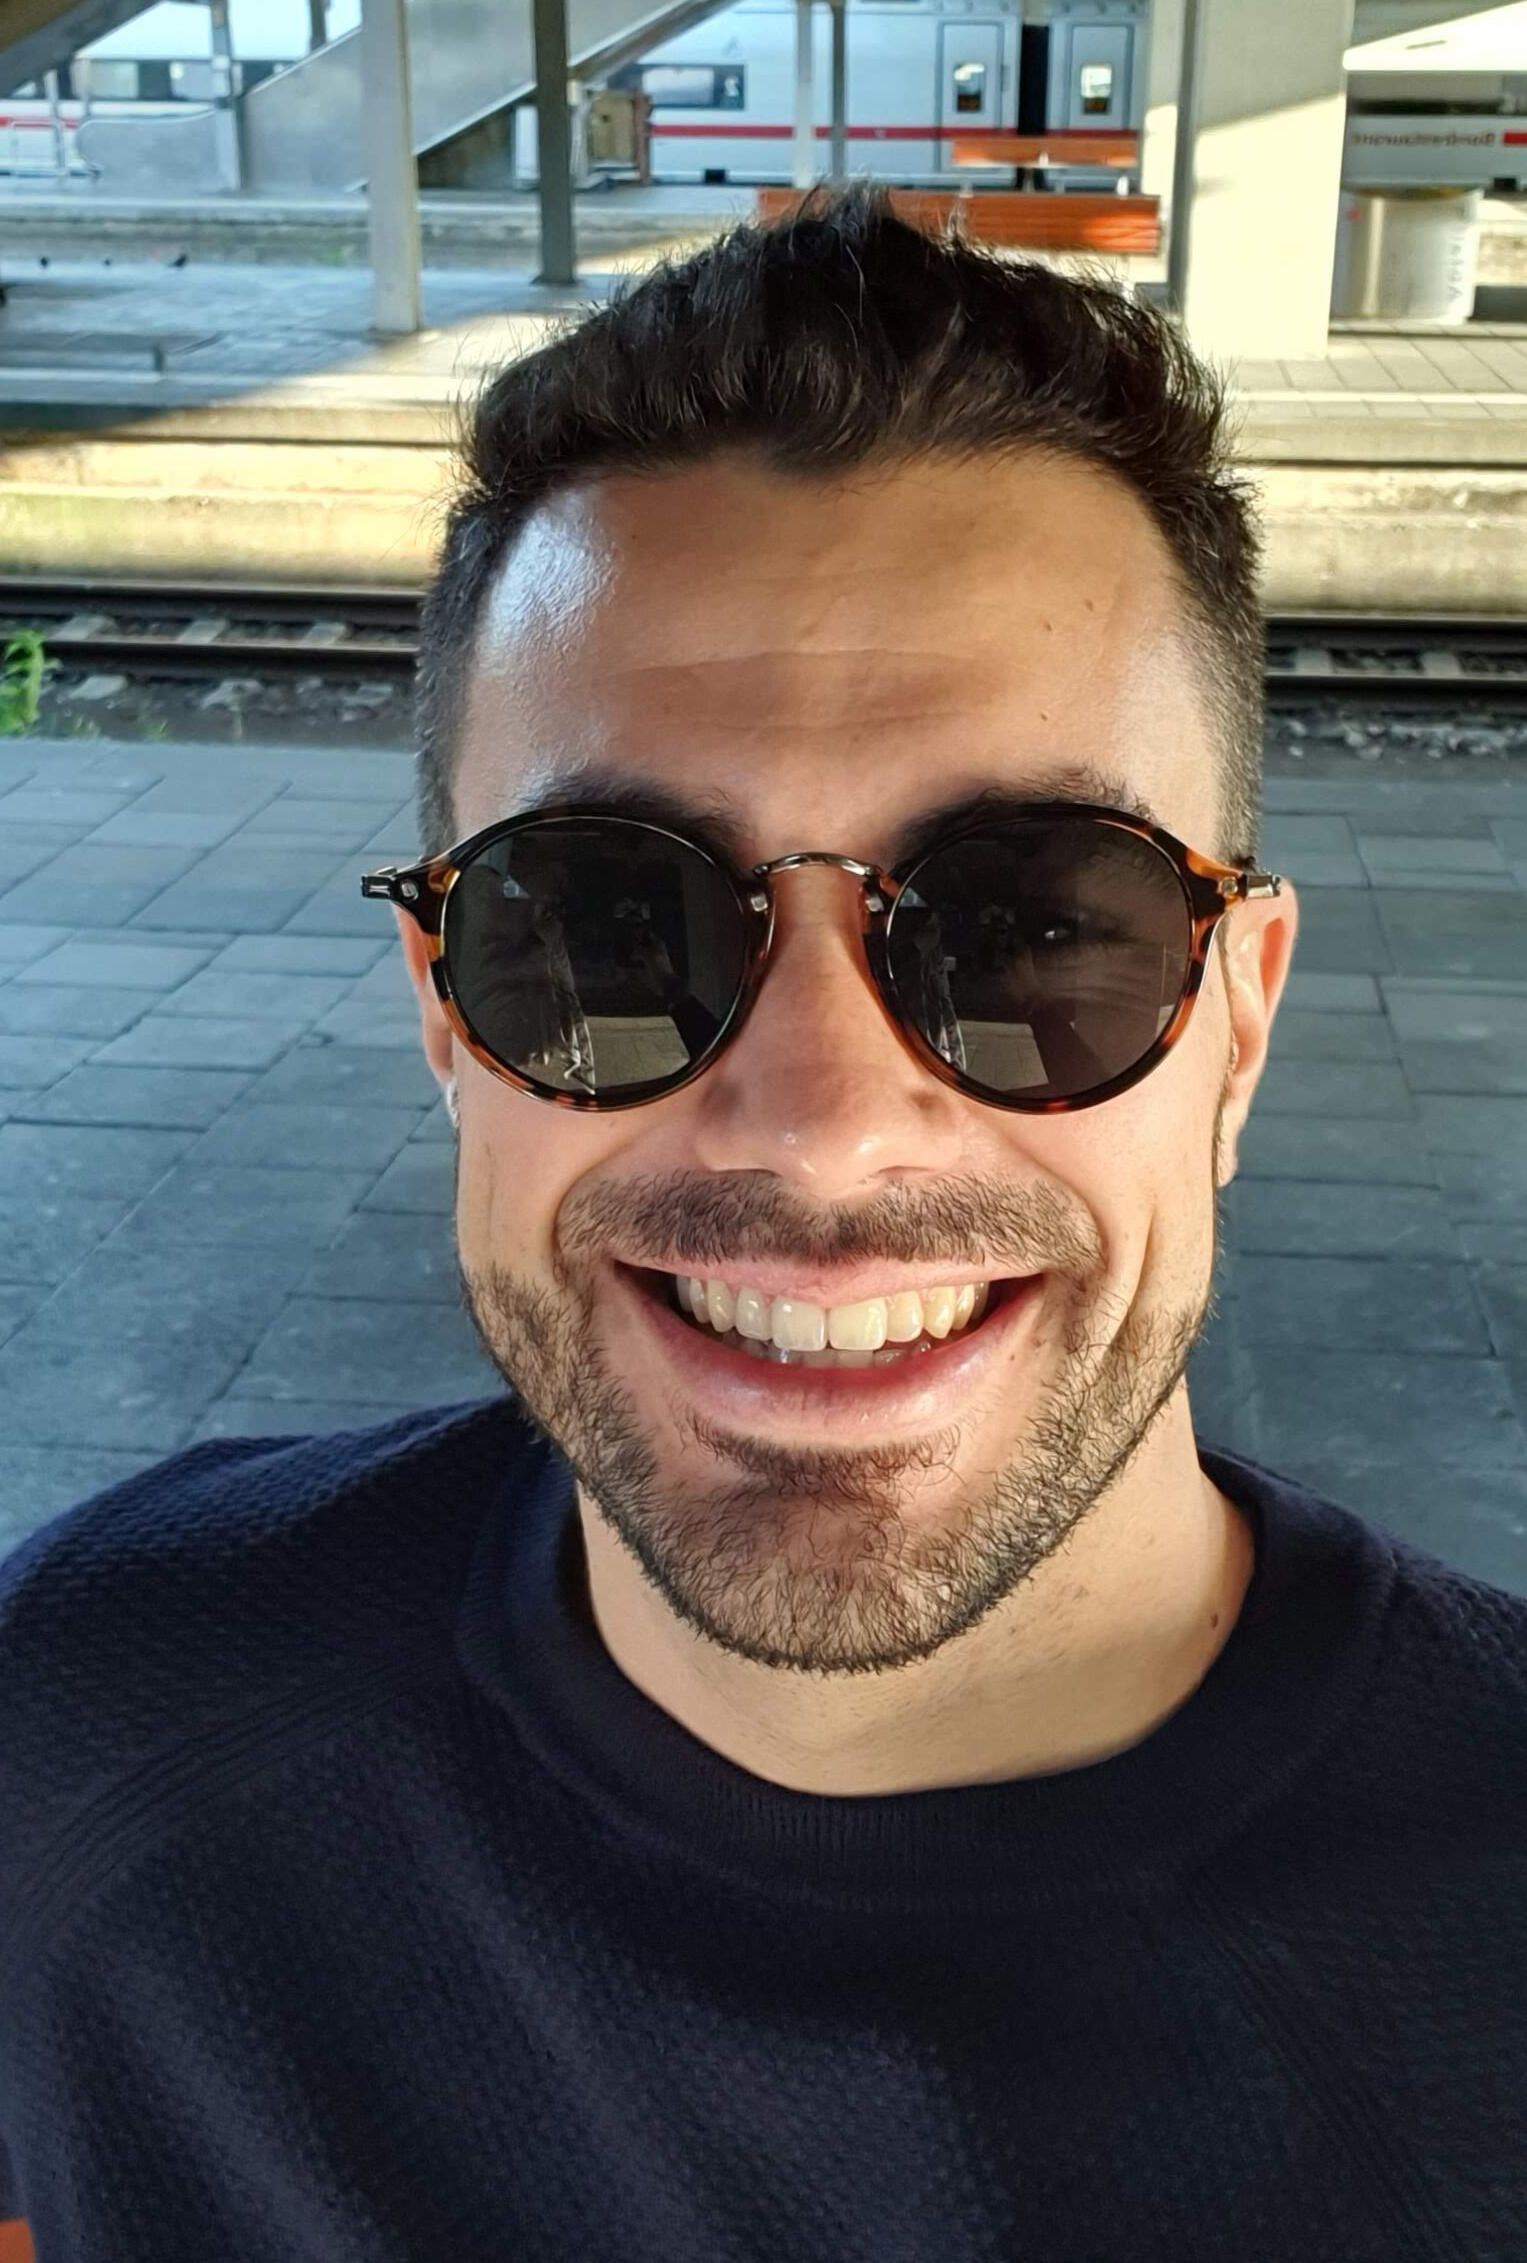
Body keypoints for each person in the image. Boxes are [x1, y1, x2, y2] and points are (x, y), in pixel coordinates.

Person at [1, 182, 1523, 2261]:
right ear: (446, 1017)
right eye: (601, 925)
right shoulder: (87, 1731)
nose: (819, 1128)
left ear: (1235, 1024)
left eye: (1034, 928)